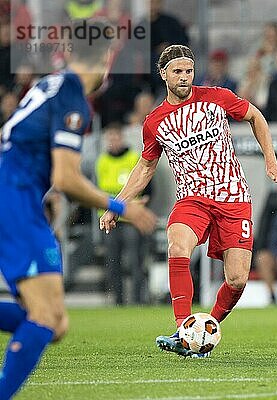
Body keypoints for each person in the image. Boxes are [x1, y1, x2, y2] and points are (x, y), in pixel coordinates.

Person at [0, 19, 156, 399]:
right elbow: (67, 178)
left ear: (67, 51)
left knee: (54, 325)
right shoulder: (73, 99)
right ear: (109, 56)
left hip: (16, 198)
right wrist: (124, 207)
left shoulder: (48, 84)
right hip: (14, 201)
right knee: (47, 319)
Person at [99, 44, 277, 358]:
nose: (184, 77)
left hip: (233, 197)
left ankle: (203, 333)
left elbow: (255, 117)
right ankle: (184, 329)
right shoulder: (155, 122)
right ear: (163, 74)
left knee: (237, 280)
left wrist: (271, 161)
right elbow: (145, 167)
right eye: (177, 72)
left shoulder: (217, 97)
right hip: (192, 200)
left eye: (188, 71)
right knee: (178, 245)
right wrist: (118, 204)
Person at [96, 123, 150, 305]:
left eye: (116, 137)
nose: (114, 141)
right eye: (110, 138)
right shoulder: (102, 161)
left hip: (131, 219)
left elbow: (148, 185)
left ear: (122, 138)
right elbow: (98, 191)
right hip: (108, 219)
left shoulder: (134, 158)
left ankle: (137, 300)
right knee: (112, 263)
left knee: (135, 261)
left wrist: (142, 203)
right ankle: (118, 301)